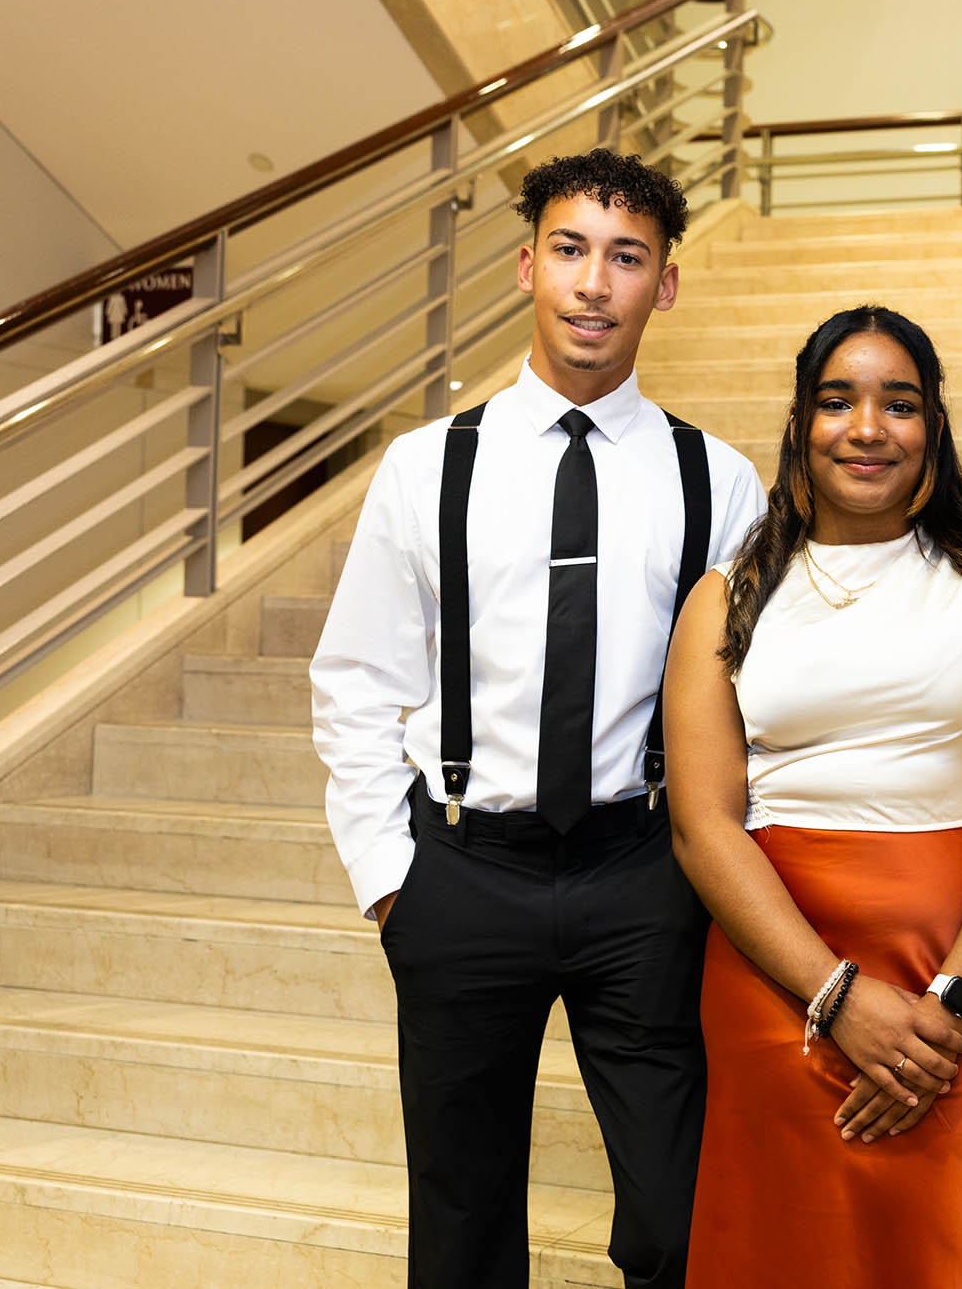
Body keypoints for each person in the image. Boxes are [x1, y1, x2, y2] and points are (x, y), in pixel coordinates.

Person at [309, 148, 765, 1288]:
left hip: (645, 871)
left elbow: (755, 699)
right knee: (459, 1222)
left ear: (663, 284)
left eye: (626, 258)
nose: (593, 283)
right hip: (463, 871)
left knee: (677, 1211)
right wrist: (388, 873)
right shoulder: (426, 469)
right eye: (569, 251)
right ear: (526, 267)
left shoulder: (721, 481)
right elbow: (359, 675)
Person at [663, 305, 962, 1287]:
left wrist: (950, 1008)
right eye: (836, 400)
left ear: (932, 424)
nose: (866, 427)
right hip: (782, 981)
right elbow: (701, 824)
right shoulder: (728, 596)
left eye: (899, 404)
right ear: (801, 420)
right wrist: (834, 996)